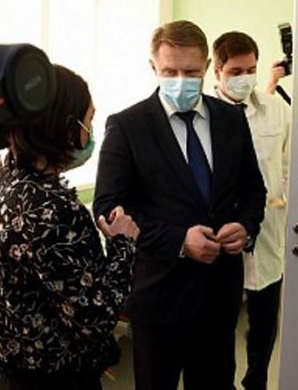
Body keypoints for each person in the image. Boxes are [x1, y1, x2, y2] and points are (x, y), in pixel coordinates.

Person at [93, 20, 266, 390]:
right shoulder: (128, 126)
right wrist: (178, 241)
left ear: (206, 67)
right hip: (160, 294)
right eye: (170, 71)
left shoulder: (231, 119)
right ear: (153, 67)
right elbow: (108, 208)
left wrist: (246, 225)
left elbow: (253, 189)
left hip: (220, 292)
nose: (181, 80)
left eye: (191, 72)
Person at [0, 65, 139, 390]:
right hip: (50, 375)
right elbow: (95, 317)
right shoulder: (56, 211)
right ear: (66, 126)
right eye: (88, 120)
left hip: (3, 364)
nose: (90, 133)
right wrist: (123, 245)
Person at [211, 31, 290, 390]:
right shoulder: (203, 115)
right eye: (235, 71)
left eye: (251, 70)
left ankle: (256, 380)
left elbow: (288, 165)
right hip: (222, 238)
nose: (245, 78)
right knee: (220, 325)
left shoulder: (276, 110)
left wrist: (280, 203)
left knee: (263, 322)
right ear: (218, 72)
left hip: (268, 234)